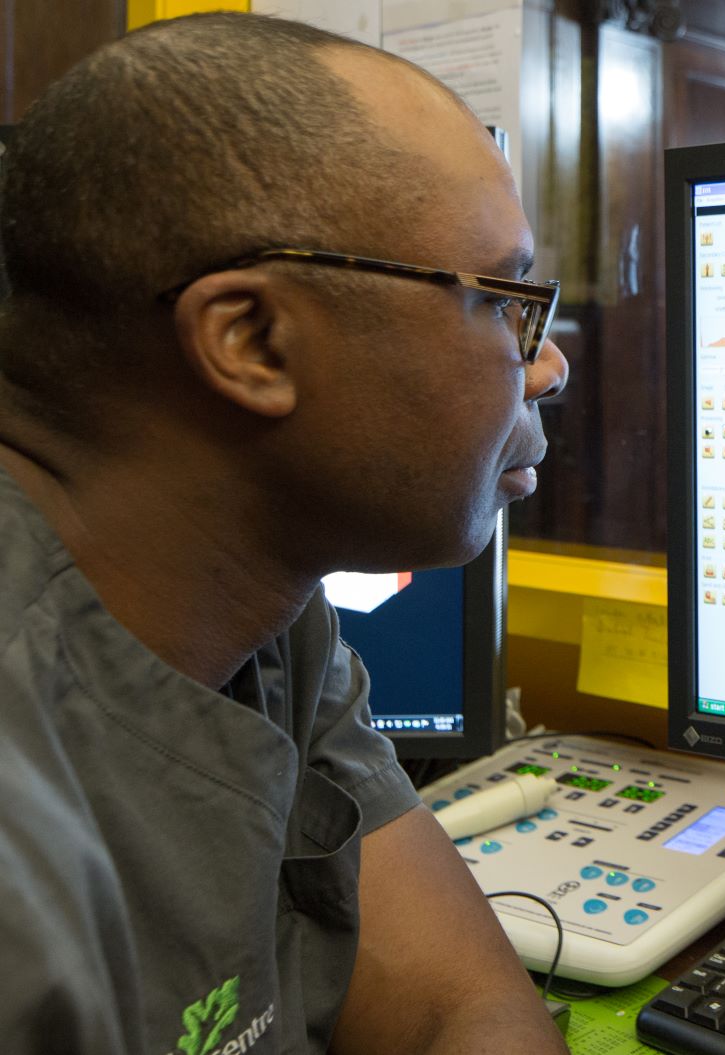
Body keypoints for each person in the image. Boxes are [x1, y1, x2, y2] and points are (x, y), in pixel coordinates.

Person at [0, 13, 571, 1053]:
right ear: (252, 340)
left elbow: (458, 1003)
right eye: (501, 301)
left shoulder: (260, 613)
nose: (548, 366)